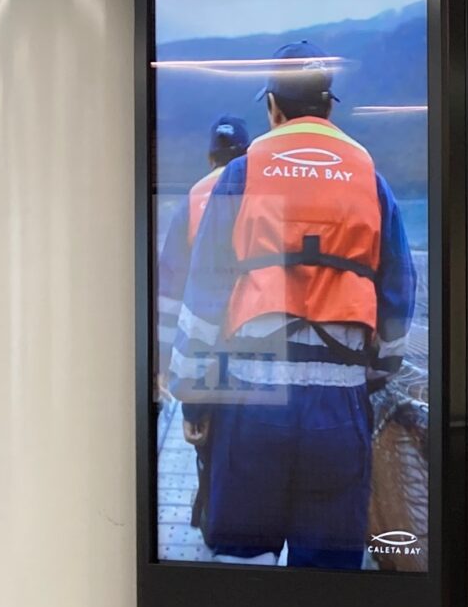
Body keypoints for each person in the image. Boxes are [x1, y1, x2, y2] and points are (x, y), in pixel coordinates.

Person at [169, 44, 417, 570]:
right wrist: (374, 378)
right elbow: (398, 296)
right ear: (329, 107)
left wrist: (194, 403)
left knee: (243, 566)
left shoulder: (243, 172)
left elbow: (205, 295)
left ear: (273, 108)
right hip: (339, 409)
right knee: (328, 572)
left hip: (251, 405)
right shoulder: (370, 179)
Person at [156, 114, 253, 531]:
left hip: (202, 345)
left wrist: (164, 362)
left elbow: (169, 290)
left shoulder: (192, 200)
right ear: (247, 155)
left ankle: (211, 500)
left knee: (204, 430)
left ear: (210, 154)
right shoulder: (260, 194)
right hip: (256, 343)